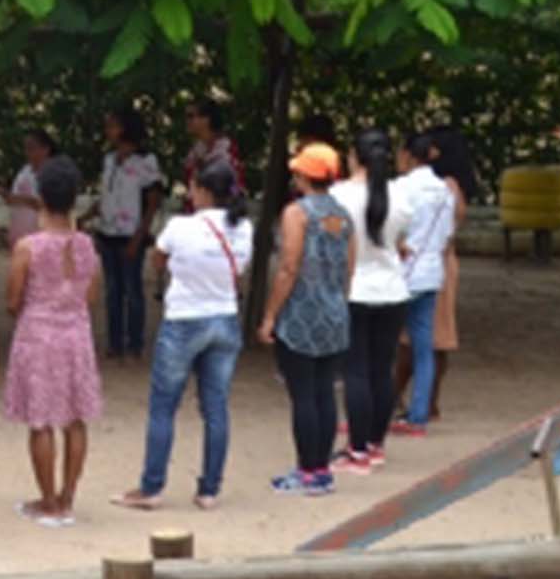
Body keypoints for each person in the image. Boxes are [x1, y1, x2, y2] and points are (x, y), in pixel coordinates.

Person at [112, 160, 252, 511]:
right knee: (216, 407)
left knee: (164, 406)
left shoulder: (180, 226)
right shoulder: (244, 228)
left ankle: (152, 486)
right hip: (224, 317)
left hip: (184, 318)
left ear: (202, 190)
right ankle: (209, 489)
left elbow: (159, 259)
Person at [2, 157, 99, 526]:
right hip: (77, 334)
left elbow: (13, 299)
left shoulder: (28, 247)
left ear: (41, 197)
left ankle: (48, 501)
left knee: (40, 420)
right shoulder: (86, 245)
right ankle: (67, 497)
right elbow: (91, 296)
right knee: (75, 418)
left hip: (38, 335)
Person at [260, 144, 355, 497]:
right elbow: (350, 267)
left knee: (302, 394)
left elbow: (289, 267)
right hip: (334, 311)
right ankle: (321, 470)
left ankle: (306, 470)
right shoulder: (344, 216)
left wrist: (270, 315)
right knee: (324, 392)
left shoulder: (296, 213)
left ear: (303, 176)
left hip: (301, 313)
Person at [333, 128, 413, 473]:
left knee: (356, 371)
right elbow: (400, 239)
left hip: (353, 289)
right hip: (393, 290)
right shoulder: (400, 195)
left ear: (354, 156)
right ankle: (376, 444)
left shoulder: (339, 195)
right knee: (382, 370)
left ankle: (356, 448)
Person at [390, 132, 457, 439]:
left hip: (400, 273)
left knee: (384, 344)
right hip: (431, 273)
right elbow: (446, 235)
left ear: (407, 156)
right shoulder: (445, 192)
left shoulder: (400, 188)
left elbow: (390, 229)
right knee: (423, 347)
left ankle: (380, 408)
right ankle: (419, 415)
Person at [411, 126, 478, 420]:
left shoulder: (444, 187)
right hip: (440, 261)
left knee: (426, 337)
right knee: (434, 337)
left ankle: (419, 401)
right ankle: (425, 400)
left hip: (431, 261)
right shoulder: (450, 187)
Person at [93, 108, 164, 363]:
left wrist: (139, 235)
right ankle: (115, 342)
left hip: (130, 232)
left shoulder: (146, 161)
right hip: (108, 231)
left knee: (132, 289)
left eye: (113, 125)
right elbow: (106, 195)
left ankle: (135, 343)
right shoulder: (110, 160)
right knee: (113, 290)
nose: (108, 130)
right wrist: (91, 216)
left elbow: (153, 202)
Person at [5, 129, 59, 246]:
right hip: (21, 238)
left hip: (43, 239)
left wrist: (22, 200)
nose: (27, 152)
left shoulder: (54, 174)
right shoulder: (24, 171)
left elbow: (52, 206)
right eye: (26, 148)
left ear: (45, 149)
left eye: (31, 148)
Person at [182, 99, 245, 195]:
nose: (187, 121)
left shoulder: (226, 150)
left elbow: (236, 187)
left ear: (206, 119)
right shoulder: (195, 152)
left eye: (190, 116)